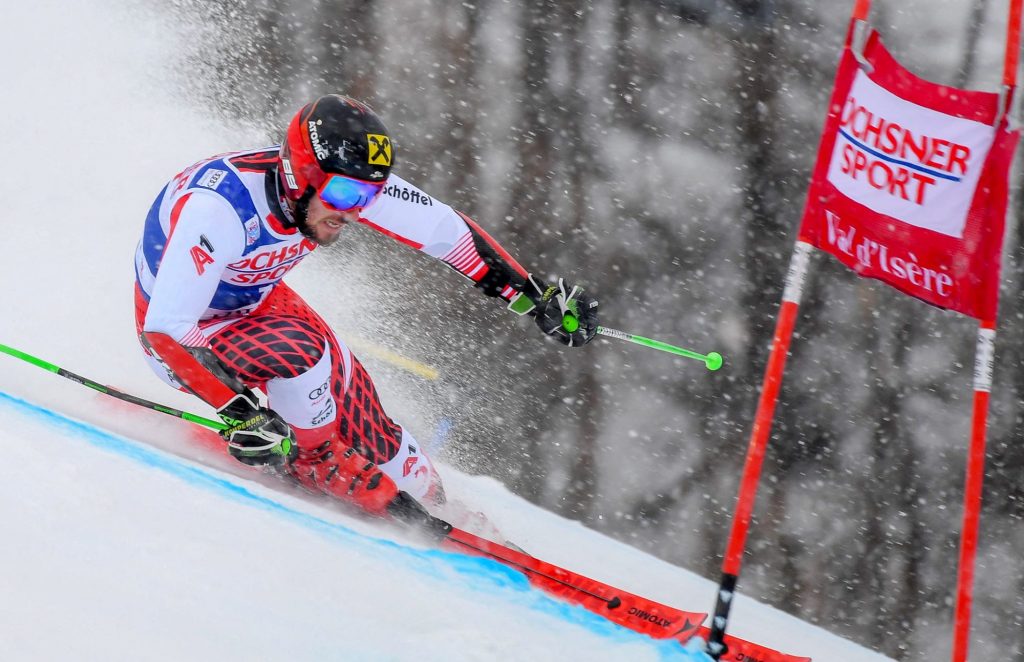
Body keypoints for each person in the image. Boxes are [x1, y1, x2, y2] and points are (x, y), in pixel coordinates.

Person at [134, 94, 598, 524]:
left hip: (254, 302)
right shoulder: (219, 208)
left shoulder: (342, 186)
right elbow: (166, 330)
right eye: (345, 198)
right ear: (300, 175)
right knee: (305, 352)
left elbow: (444, 233)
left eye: (369, 198)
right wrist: (241, 412)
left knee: (360, 406)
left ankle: (439, 507)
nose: (355, 212)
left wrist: (532, 296)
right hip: (181, 340)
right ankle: (313, 460)